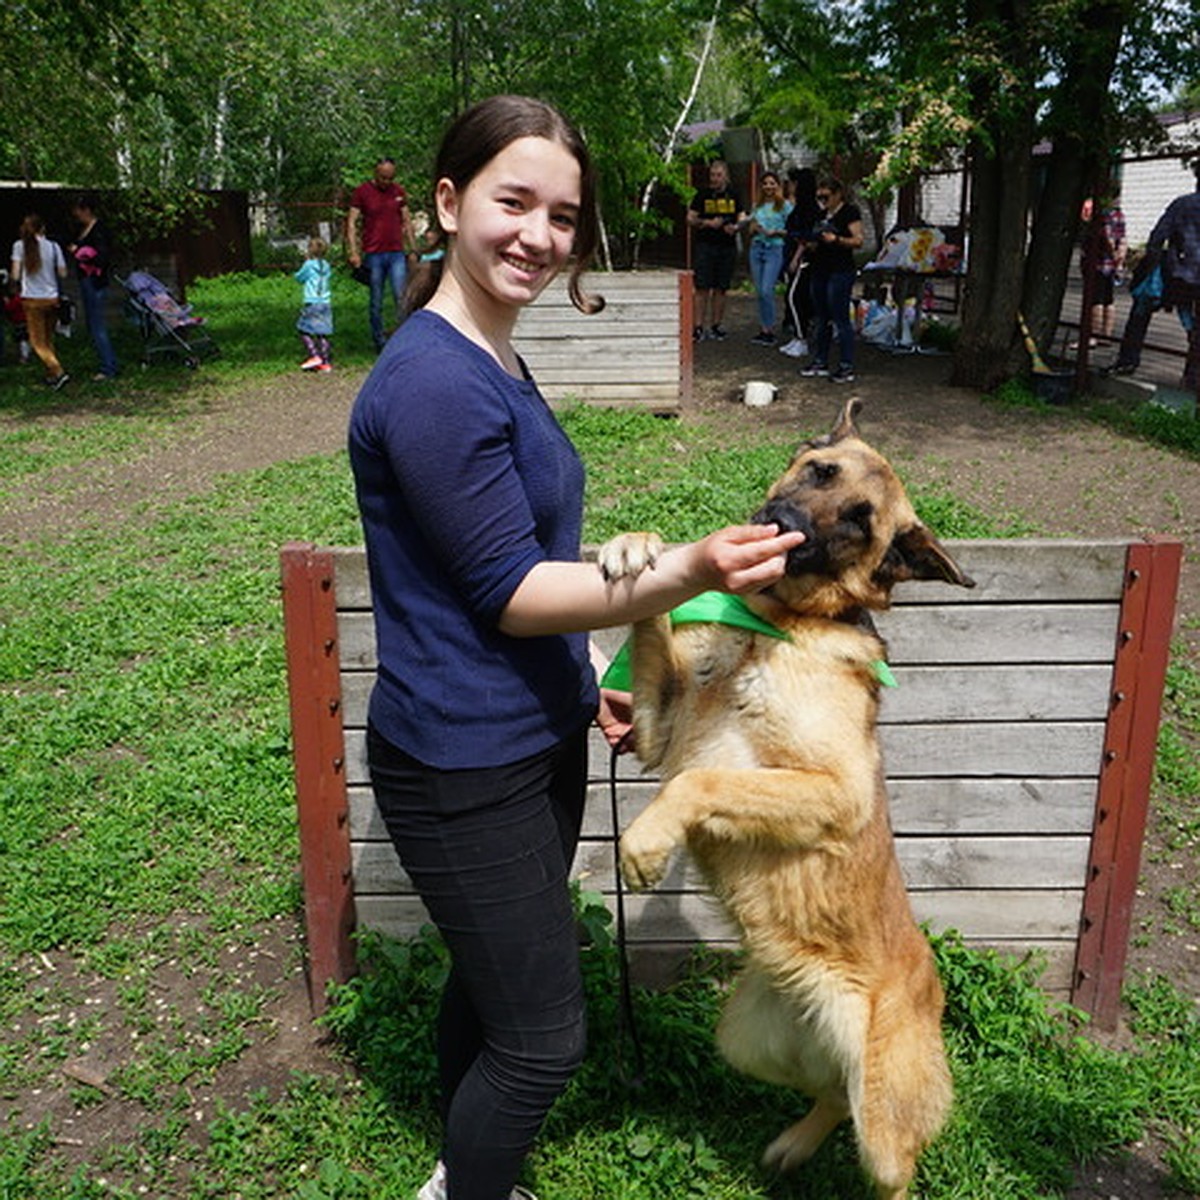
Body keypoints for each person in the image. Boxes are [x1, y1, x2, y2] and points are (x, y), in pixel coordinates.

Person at [347, 94, 804, 1200]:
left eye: (562, 215)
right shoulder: (432, 383)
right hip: (463, 766)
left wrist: (583, 679)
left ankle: (463, 1168)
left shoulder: (490, 355)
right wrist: (691, 569)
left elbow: (520, 552)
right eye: (513, 202)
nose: (538, 236)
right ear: (450, 203)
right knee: (543, 1041)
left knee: (496, 996)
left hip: (527, 735)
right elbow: (508, 590)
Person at [1106, 157, 1200, 389]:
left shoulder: (1182, 205)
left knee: (1141, 311)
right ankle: (1193, 376)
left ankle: (1128, 359)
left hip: (1178, 275)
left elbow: (1157, 237)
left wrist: (1154, 262)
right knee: (1196, 328)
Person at [346, 157, 414, 352]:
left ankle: (403, 339)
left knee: (401, 297)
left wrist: (413, 248)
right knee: (376, 299)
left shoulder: (398, 192)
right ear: (376, 173)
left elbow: (406, 220)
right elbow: (352, 223)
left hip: (396, 253)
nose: (387, 181)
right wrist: (354, 251)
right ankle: (378, 341)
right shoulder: (362, 192)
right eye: (383, 177)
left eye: (390, 177)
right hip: (373, 253)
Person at [800, 178, 864, 385]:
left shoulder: (850, 213)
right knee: (821, 316)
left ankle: (846, 365)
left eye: (826, 196)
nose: (822, 200)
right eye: (819, 197)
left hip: (840, 270)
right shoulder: (820, 215)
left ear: (838, 194)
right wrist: (811, 244)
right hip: (820, 269)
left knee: (840, 317)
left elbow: (858, 240)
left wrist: (837, 240)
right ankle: (821, 359)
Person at [686, 159, 745, 341]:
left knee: (721, 288)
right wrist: (706, 223)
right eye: (712, 175)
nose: (715, 179)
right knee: (702, 287)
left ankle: (716, 325)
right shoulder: (702, 194)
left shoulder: (734, 194)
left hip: (726, 246)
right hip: (705, 245)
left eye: (719, 175)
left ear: (725, 176)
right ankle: (697, 327)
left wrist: (735, 227)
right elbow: (690, 218)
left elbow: (742, 217)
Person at [10, 214, 69, 390]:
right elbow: (63, 273)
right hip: (51, 298)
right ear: (42, 228)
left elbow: (14, 274)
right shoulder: (53, 246)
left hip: (31, 300)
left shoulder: (19, 246)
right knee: (48, 339)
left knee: (37, 343)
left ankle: (58, 371)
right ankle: (51, 377)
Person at [67, 193, 119, 380]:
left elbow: (102, 257)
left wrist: (79, 252)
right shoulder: (84, 229)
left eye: (78, 211)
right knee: (92, 323)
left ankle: (108, 366)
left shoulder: (99, 230)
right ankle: (107, 362)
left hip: (95, 281)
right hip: (86, 280)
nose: (76, 215)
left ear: (86, 210)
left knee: (97, 324)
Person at [746, 170, 792, 345]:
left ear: (778, 186)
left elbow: (792, 230)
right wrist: (754, 227)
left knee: (767, 289)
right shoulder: (757, 205)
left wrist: (777, 232)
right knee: (760, 291)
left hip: (775, 248)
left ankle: (770, 329)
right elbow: (749, 229)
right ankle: (764, 329)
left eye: (772, 183)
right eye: (765, 183)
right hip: (757, 248)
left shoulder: (785, 206)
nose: (768, 186)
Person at [780, 166, 821, 358]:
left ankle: (802, 338)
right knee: (795, 297)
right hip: (792, 254)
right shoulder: (798, 207)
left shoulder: (809, 209)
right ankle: (798, 336)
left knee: (795, 297)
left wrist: (796, 258)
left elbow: (805, 238)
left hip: (803, 259)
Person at [294, 236, 334, 371]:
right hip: (325, 302)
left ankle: (314, 355)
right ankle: (325, 361)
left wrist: (305, 262)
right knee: (322, 332)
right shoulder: (327, 265)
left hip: (312, 302)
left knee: (303, 329)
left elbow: (299, 278)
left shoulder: (309, 265)